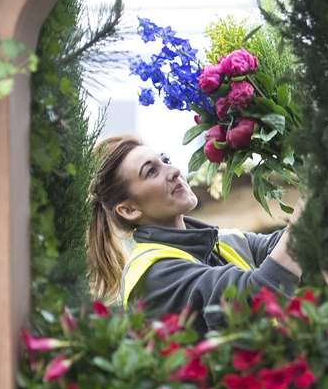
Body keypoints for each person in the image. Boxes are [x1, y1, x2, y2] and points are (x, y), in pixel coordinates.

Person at [86, 134, 302, 331]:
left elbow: (294, 246)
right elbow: (258, 295)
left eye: (166, 161)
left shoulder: (220, 242)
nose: (174, 172)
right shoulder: (154, 276)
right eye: (151, 171)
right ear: (129, 210)